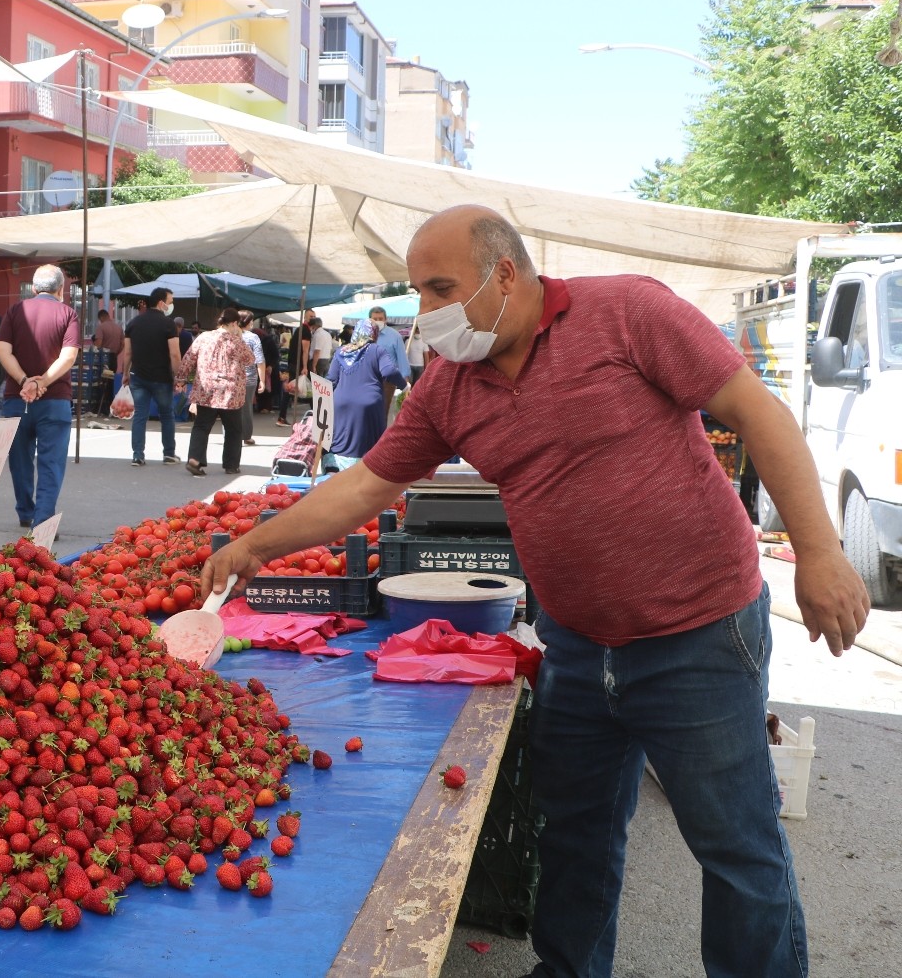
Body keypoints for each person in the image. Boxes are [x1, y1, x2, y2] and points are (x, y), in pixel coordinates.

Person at [200, 205, 869, 978]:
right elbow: (359, 488)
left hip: (698, 633)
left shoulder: (626, 313)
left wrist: (818, 553)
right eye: (418, 292)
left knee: (736, 847)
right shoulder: (450, 387)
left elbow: (759, 414)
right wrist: (255, 543)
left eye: (442, 288)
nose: (428, 313)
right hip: (578, 645)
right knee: (575, 836)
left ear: (505, 273)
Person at [0, 265, 80, 534]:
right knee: (51, 461)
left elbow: (2, 350)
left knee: (18, 458)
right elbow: (68, 356)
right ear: (61, 290)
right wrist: (43, 381)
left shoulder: (15, 311)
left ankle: (25, 512)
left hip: (16, 398)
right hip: (55, 400)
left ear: (33, 289)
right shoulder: (68, 314)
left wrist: (24, 381)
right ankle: (42, 519)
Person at [177, 307, 253, 476]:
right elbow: (250, 360)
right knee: (233, 429)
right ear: (234, 323)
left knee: (202, 426)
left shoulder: (203, 337)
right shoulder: (236, 342)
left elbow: (188, 359)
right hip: (231, 392)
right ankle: (231, 465)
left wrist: (181, 379)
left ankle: (194, 460)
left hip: (207, 389)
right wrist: (239, 337)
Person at [323, 321, 404, 469]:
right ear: (373, 334)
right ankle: (363, 473)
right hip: (368, 404)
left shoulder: (341, 351)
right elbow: (389, 372)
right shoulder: (376, 350)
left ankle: (340, 471)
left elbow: (331, 380)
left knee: (342, 440)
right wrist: (405, 386)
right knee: (368, 446)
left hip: (341, 403)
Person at [115, 287, 181, 467]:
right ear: (161, 303)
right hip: (162, 378)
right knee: (167, 415)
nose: (171, 305)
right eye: (170, 301)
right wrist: (179, 377)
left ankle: (138, 455)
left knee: (140, 416)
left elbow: (128, 353)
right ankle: (169, 454)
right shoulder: (169, 324)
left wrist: (125, 373)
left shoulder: (134, 323)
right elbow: (174, 355)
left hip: (139, 377)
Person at [368, 305, 412, 421]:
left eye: (380, 318)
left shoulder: (394, 336)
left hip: (387, 380)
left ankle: (380, 437)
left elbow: (402, 358)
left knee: (382, 411)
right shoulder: (364, 335)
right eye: (375, 319)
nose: (378, 321)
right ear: (370, 320)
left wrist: (405, 380)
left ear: (385, 319)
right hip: (367, 378)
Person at [236, 310, 266, 446]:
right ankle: (246, 436)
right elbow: (260, 360)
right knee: (246, 407)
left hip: (231, 378)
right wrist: (263, 381)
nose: (252, 323)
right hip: (249, 378)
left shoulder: (229, 335)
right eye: (251, 321)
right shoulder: (253, 337)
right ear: (246, 322)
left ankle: (230, 436)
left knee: (229, 407)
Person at [91, 308, 124, 416]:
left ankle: (103, 407)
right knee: (110, 383)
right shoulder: (118, 327)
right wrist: (116, 353)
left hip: (104, 360)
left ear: (101, 317)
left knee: (102, 383)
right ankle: (109, 406)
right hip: (113, 359)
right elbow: (122, 344)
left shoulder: (101, 327)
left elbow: (99, 343)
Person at [256, 319, 281, 414]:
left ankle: (266, 407)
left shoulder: (269, 341)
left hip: (269, 368)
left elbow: (276, 355)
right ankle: (261, 407)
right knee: (263, 388)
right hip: (261, 367)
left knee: (267, 388)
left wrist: (271, 365)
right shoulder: (261, 341)